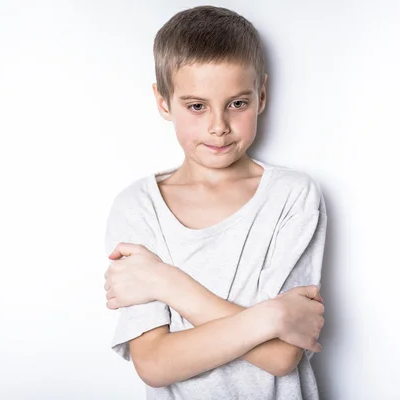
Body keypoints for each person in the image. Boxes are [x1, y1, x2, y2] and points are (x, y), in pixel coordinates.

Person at [103, 5, 328, 400]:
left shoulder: (292, 196)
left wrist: (166, 282)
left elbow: (282, 356)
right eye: (196, 106)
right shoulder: (138, 207)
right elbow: (155, 364)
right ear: (163, 102)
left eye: (237, 103)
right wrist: (270, 317)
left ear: (261, 95)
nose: (218, 125)